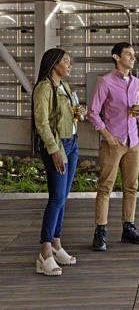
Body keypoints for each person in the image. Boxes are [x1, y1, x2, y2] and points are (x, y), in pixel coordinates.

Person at [88, 42, 139, 251]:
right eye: (128, 54)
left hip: (133, 143)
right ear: (116, 57)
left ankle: (128, 228)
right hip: (112, 144)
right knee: (105, 187)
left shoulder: (137, 83)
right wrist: (107, 135)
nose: (133, 58)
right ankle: (100, 232)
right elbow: (92, 112)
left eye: (134, 54)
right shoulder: (105, 82)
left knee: (131, 187)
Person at [32, 48, 86, 276]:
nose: (70, 65)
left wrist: (79, 113)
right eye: (66, 61)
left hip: (71, 144)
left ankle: (56, 244)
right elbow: (41, 123)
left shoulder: (64, 85)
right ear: (54, 64)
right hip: (58, 147)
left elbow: (67, 115)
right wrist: (54, 150)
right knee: (56, 198)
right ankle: (45, 252)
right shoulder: (44, 87)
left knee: (63, 198)